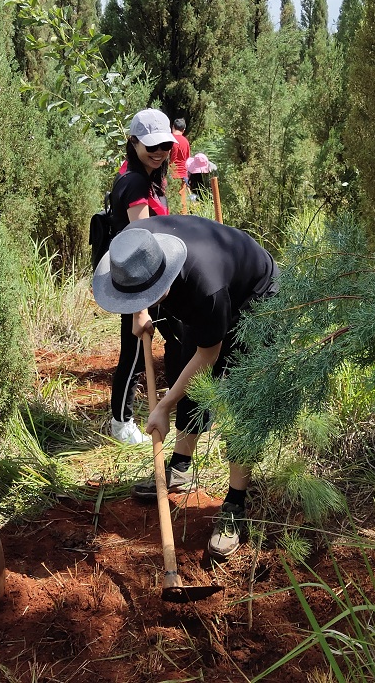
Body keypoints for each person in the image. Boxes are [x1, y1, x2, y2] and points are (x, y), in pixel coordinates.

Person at [92, 215, 279, 558]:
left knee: (239, 395)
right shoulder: (133, 245)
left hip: (256, 296)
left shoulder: (203, 289)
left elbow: (208, 356)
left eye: (149, 294)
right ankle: (178, 468)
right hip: (209, 286)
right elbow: (139, 283)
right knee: (187, 376)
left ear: (167, 277)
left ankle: (235, 505)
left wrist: (162, 406)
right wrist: (139, 312)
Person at [106, 108, 181, 446]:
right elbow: (140, 240)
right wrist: (142, 305)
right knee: (134, 352)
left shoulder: (144, 175)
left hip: (155, 282)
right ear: (132, 141)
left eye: (164, 145)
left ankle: (178, 406)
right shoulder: (135, 181)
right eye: (150, 146)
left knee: (176, 340)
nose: (158, 152)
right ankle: (122, 423)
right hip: (141, 282)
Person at [169, 118, 190, 202]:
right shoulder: (186, 142)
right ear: (183, 130)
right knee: (182, 202)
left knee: (169, 200)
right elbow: (187, 159)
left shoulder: (169, 139)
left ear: (172, 127)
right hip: (182, 174)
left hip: (171, 173)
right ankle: (183, 215)